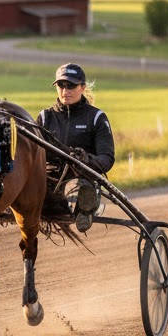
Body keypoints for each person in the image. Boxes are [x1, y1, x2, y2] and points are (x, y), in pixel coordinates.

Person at [36, 62, 115, 232]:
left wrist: (86, 159)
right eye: (61, 86)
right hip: (47, 180)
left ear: (83, 87)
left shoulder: (96, 117)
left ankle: (84, 206)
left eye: (71, 86)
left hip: (80, 178)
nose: (65, 91)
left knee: (75, 185)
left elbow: (107, 158)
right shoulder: (45, 117)